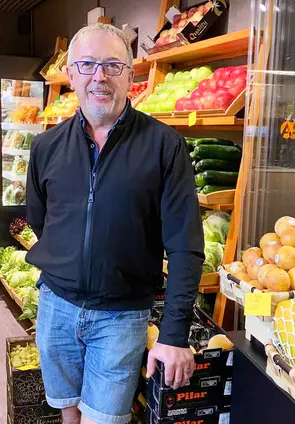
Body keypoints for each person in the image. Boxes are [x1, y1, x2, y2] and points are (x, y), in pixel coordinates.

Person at [26, 23, 204, 424]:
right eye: (87, 65)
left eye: (112, 65)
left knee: (104, 420)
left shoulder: (164, 145)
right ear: (70, 74)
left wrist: (174, 334)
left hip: (121, 317)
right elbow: (42, 221)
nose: (99, 77)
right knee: (67, 411)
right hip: (56, 308)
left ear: (131, 75)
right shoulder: (46, 147)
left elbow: (185, 244)